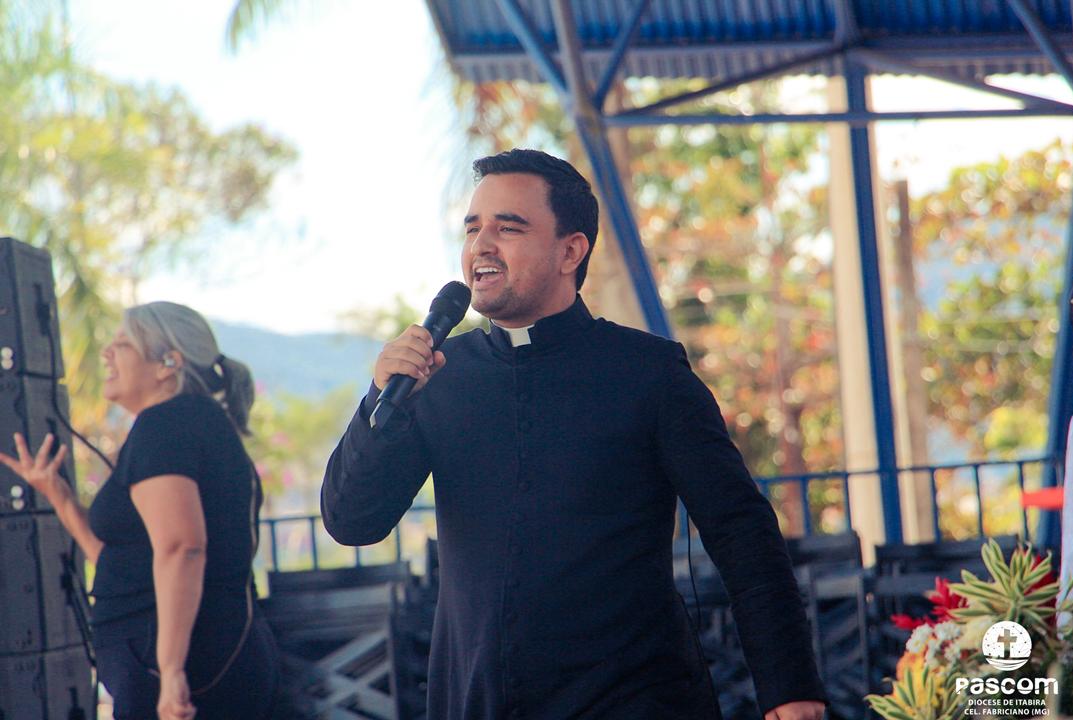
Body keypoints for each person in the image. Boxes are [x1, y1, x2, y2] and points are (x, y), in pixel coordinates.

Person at [321, 149, 827, 720]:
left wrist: (790, 688)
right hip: (477, 701)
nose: (481, 245)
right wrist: (380, 399)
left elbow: (741, 531)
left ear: (571, 251)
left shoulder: (647, 372)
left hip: (633, 700)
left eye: (508, 228)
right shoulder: (438, 377)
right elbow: (352, 522)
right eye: (472, 228)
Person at [0, 302, 278, 720]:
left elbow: (182, 547)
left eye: (123, 343)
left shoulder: (166, 425)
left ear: (169, 363)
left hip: (185, 666)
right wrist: (58, 495)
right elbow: (124, 565)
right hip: (194, 657)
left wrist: (171, 670)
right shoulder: (188, 422)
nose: (106, 353)